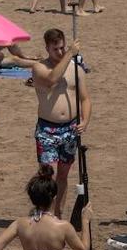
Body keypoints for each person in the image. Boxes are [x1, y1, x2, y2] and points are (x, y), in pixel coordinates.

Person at [7, 30, 88, 217]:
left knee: (63, 176)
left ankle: (58, 213)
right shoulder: (38, 67)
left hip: (70, 128)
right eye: (55, 49)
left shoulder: (75, 67)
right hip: (47, 129)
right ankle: (44, 210)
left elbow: (85, 98)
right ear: (47, 48)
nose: (60, 52)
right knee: (46, 175)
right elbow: (51, 80)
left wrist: (86, 120)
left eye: (62, 48)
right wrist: (70, 54)